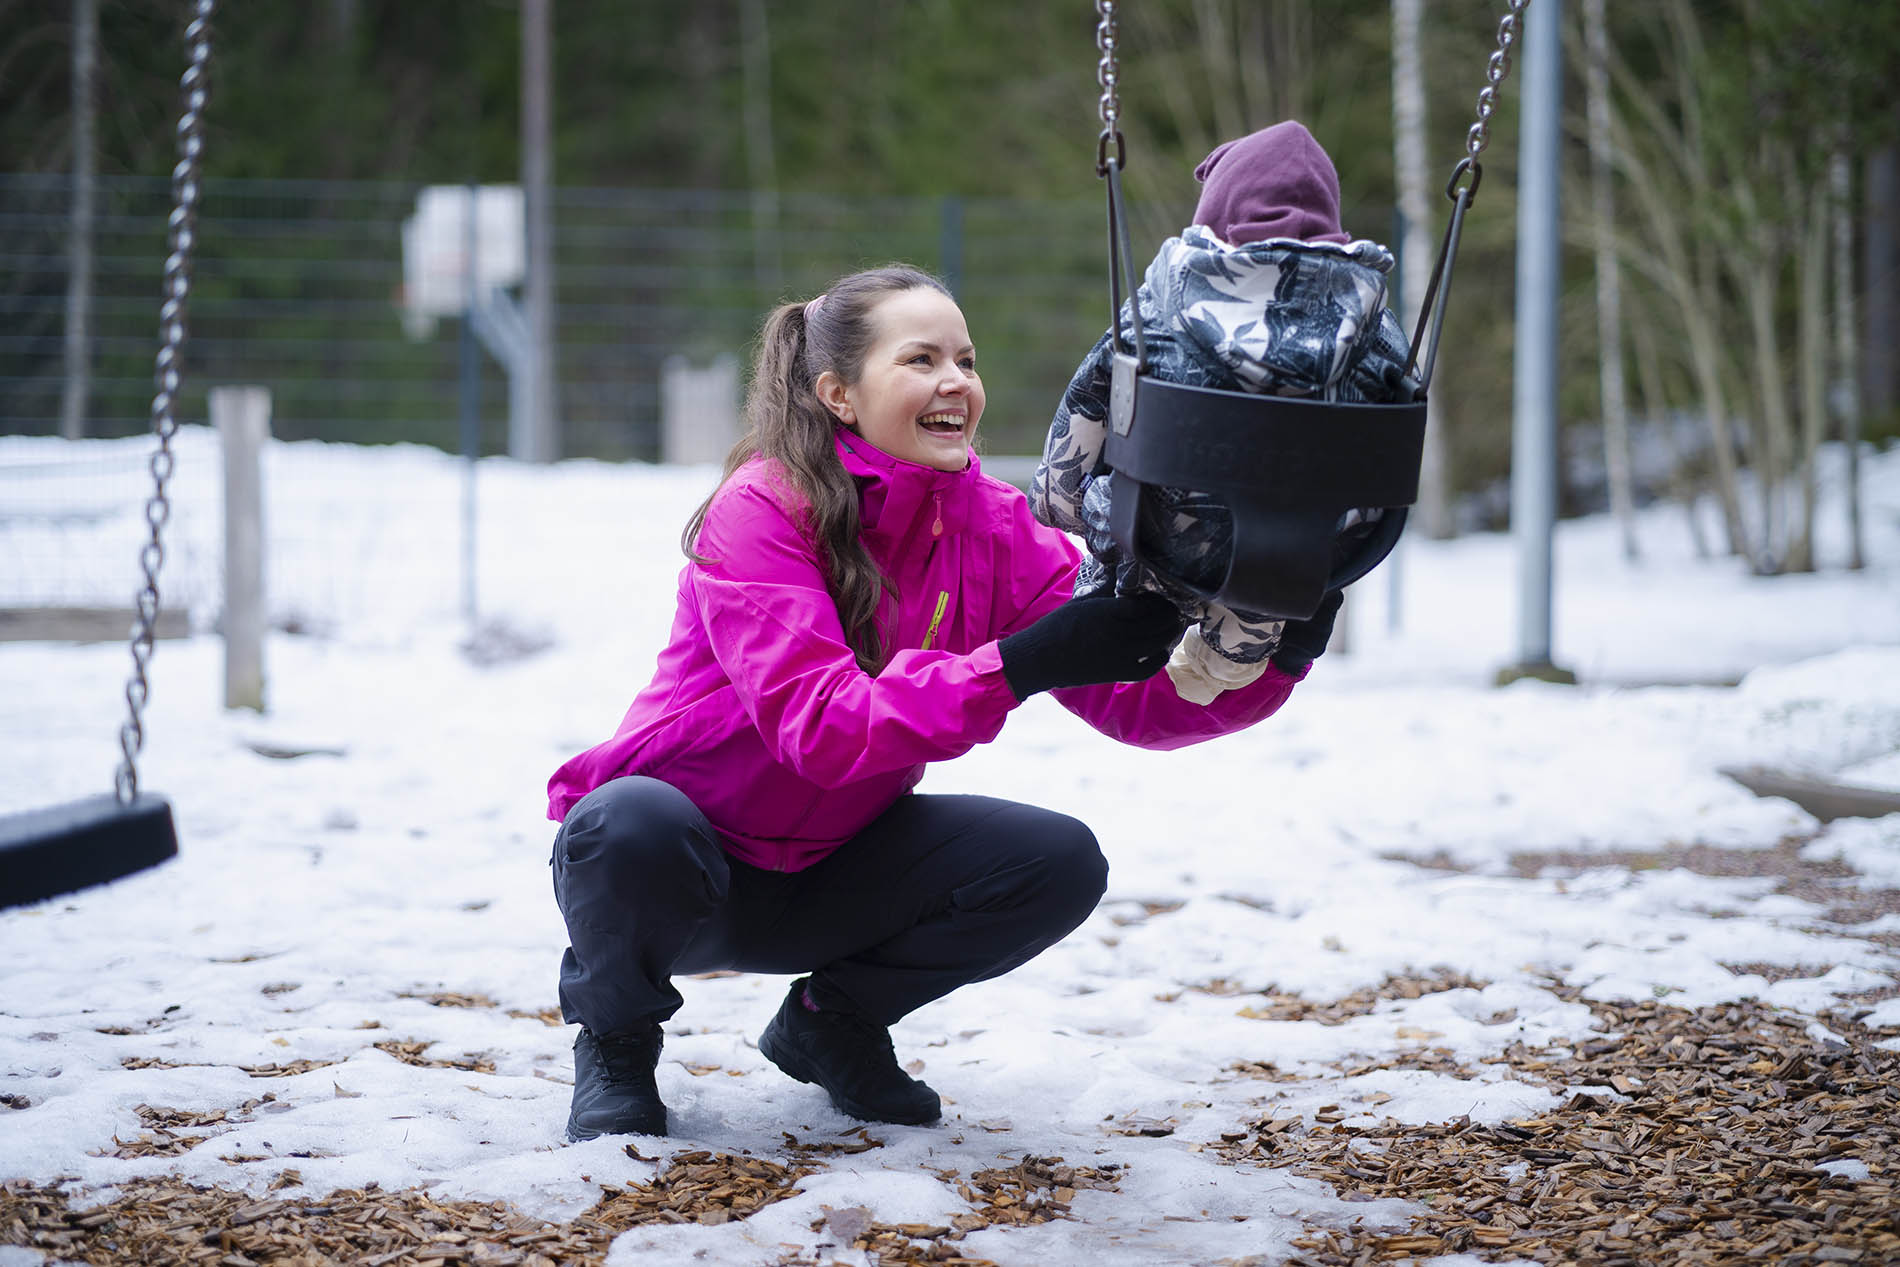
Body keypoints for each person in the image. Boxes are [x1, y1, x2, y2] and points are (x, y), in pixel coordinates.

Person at [544, 264, 1335, 1141]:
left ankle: (829, 1022)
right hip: (687, 874)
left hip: (836, 867)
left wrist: (1276, 646)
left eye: (966, 358)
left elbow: (1140, 704)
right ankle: (616, 1043)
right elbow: (821, 726)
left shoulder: (995, 528)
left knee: (1056, 860)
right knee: (628, 824)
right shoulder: (762, 508)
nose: (956, 381)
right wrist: (1018, 664)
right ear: (838, 393)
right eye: (921, 359)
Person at [1032, 120, 1416, 704]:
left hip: (1160, 544)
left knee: (1150, 519)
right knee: (1272, 539)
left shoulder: (1156, 310)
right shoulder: (1379, 331)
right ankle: (1233, 652)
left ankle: (1134, 619)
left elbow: (1073, 448)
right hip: (1312, 550)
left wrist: (1061, 505)